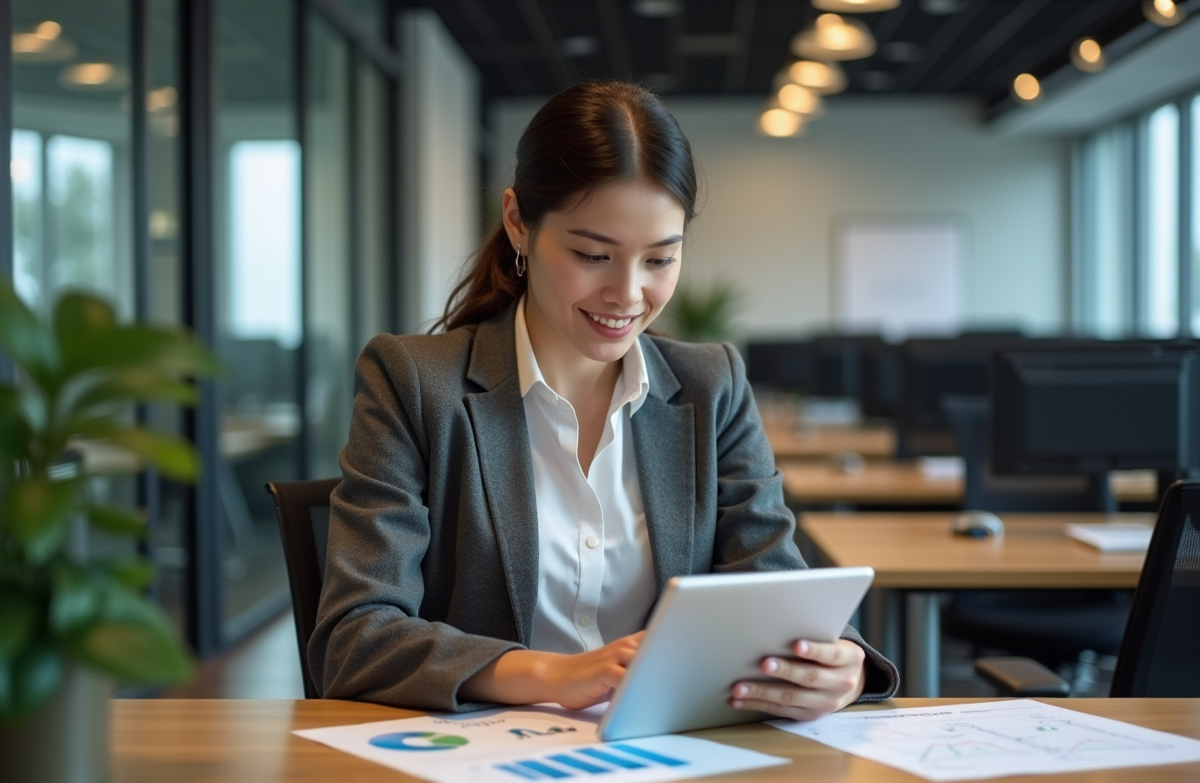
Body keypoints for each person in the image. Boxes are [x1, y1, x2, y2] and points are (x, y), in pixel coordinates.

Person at [309, 80, 898, 719]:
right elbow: (356, 636)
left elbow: (775, 588)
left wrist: (839, 663)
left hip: (671, 752)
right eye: (593, 255)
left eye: (659, 260)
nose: (627, 294)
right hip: (482, 755)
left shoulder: (712, 386)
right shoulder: (415, 383)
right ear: (518, 223)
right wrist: (551, 674)